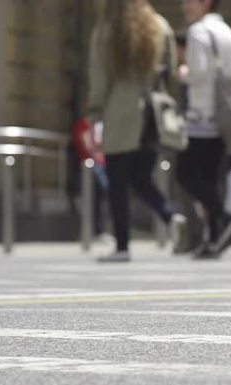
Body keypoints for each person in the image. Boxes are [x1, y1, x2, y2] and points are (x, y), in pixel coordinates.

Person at [87, 0, 186, 263]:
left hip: (119, 113)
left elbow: (99, 80)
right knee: (142, 177)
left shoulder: (108, 29)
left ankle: (122, 246)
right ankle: (171, 215)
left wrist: (95, 117)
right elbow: (172, 73)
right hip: (152, 113)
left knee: (118, 182)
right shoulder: (160, 26)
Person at [179, 0, 231, 253]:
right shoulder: (227, 31)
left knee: (185, 174)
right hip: (224, 117)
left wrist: (183, 72)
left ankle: (226, 218)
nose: (184, 6)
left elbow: (197, 72)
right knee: (210, 178)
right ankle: (215, 238)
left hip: (200, 116)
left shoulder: (197, 33)